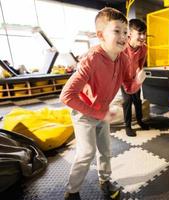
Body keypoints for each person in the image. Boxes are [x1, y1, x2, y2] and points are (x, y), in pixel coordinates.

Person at [60, 7, 146, 200]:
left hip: (103, 113)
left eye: (125, 32)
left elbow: (129, 89)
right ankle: (72, 192)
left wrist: (138, 82)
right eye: (117, 31)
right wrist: (99, 114)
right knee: (86, 152)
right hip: (84, 114)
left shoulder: (123, 58)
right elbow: (66, 96)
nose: (123, 36)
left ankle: (105, 181)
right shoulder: (91, 60)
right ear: (100, 35)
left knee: (106, 150)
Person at [121, 18, 149, 137]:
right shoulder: (122, 47)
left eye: (144, 33)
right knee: (127, 101)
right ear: (130, 33)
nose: (143, 37)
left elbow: (140, 63)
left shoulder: (144, 48)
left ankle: (140, 120)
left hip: (135, 78)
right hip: (123, 79)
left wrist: (139, 74)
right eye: (140, 33)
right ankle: (128, 126)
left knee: (137, 100)